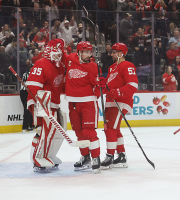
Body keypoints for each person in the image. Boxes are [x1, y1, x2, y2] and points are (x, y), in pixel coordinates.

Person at [26, 39, 66, 172]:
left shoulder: (60, 66)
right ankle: (37, 158)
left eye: (59, 53)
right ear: (48, 51)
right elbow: (33, 86)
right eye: (55, 53)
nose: (58, 56)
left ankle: (49, 155)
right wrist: (41, 103)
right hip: (41, 102)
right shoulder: (41, 63)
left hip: (53, 103)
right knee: (44, 131)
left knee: (58, 131)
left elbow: (61, 86)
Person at [97, 43, 138, 169]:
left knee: (110, 128)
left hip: (121, 102)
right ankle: (121, 156)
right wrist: (102, 86)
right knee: (114, 129)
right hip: (111, 102)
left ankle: (110, 156)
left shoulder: (127, 65)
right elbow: (109, 86)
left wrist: (119, 92)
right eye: (112, 52)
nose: (112, 54)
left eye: (114, 52)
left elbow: (133, 85)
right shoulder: (112, 67)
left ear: (121, 53)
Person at [64, 41, 102, 173]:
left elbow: (97, 86)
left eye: (89, 52)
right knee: (79, 132)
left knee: (89, 132)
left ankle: (96, 157)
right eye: (85, 52)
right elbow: (61, 53)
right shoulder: (70, 59)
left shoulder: (93, 66)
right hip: (72, 103)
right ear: (79, 52)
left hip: (88, 102)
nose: (88, 54)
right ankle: (85, 157)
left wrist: (99, 84)